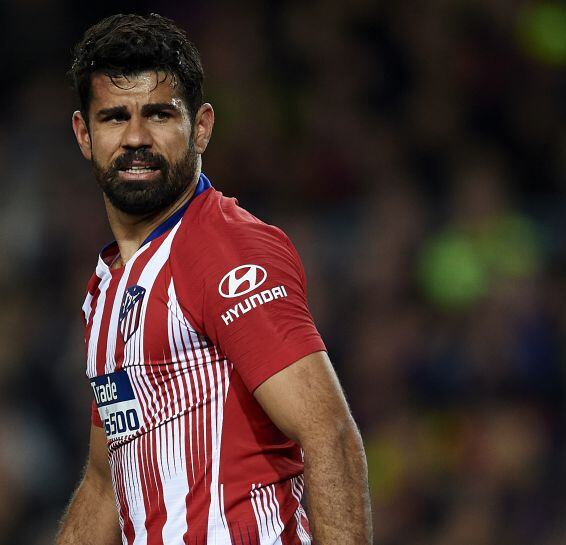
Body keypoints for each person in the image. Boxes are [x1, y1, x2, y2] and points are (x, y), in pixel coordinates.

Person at [56, 13, 371, 545]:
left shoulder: (224, 248)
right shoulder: (108, 289)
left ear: (200, 126)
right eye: (114, 118)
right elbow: (106, 484)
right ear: (84, 134)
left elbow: (329, 435)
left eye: (158, 114)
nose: (135, 137)